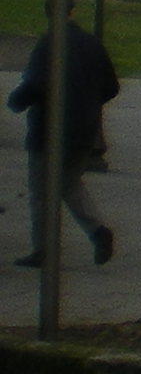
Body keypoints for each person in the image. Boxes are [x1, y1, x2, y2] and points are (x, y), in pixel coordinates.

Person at [8, 18, 118, 269]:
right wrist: (88, 103)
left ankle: (43, 248)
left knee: (41, 191)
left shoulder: (49, 44)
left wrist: (17, 101)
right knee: (69, 184)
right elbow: (111, 86)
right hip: (84, 131)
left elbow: (36, 83)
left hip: (49, 130)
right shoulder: (93, 44)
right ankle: (98, 230)